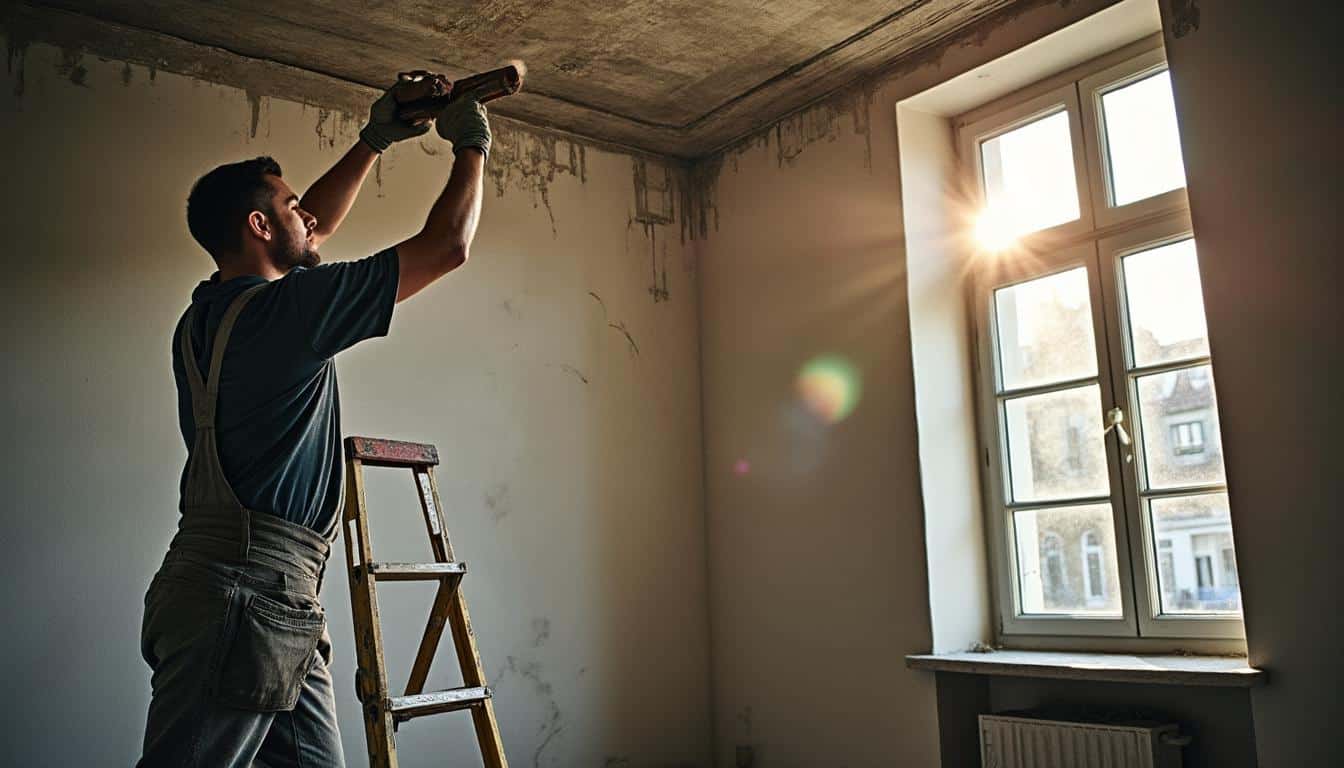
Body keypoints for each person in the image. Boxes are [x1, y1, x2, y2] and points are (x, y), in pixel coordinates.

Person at [136, 74, 491, 767]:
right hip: (248, 599)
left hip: (248, 594)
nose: (310, 217)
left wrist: (375, 141)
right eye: (291, 205)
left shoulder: (207, 313)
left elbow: (312, 232)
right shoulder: (285, 313)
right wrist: (471, 147)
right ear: (260, 227)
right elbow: (447, 244)